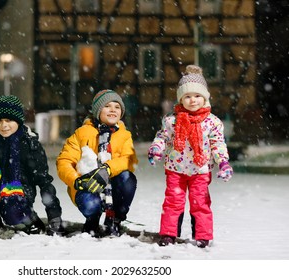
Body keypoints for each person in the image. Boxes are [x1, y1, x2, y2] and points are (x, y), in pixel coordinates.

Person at [148, 65, 233, 248]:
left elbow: (217, 144)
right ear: (180, 99)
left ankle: (202, 235)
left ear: (205, 97)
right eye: (187, 96)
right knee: (173, 201)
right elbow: (163, 136)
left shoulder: (212, 122)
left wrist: (223, 162)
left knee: (200, 202)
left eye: (197, 96)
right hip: (175, 170)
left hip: (200, 170)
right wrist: (157, 148)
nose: (192, 100)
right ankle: (169, 233)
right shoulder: (172, 120)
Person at [0, 95, 65, 237]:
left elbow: (44, 183)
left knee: (12, 209)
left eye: (9, 120)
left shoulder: (29, 144)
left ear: (18, 121)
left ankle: (30, 220)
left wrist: (54, 218)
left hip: (21, 190)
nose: (4, 125)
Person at [56, 89, 138, 237]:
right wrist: (76, 181)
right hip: (88, 184)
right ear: (98, 111)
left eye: (117, 107)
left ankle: (115, 219)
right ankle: (92, 220)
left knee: (127, 178)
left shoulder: (125, 135)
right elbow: (64, 161)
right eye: (107, 106)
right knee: (90, 204)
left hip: (113, 185)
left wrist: (107, 170)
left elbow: (129, 159)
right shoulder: (82, 133)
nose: (113, 110)